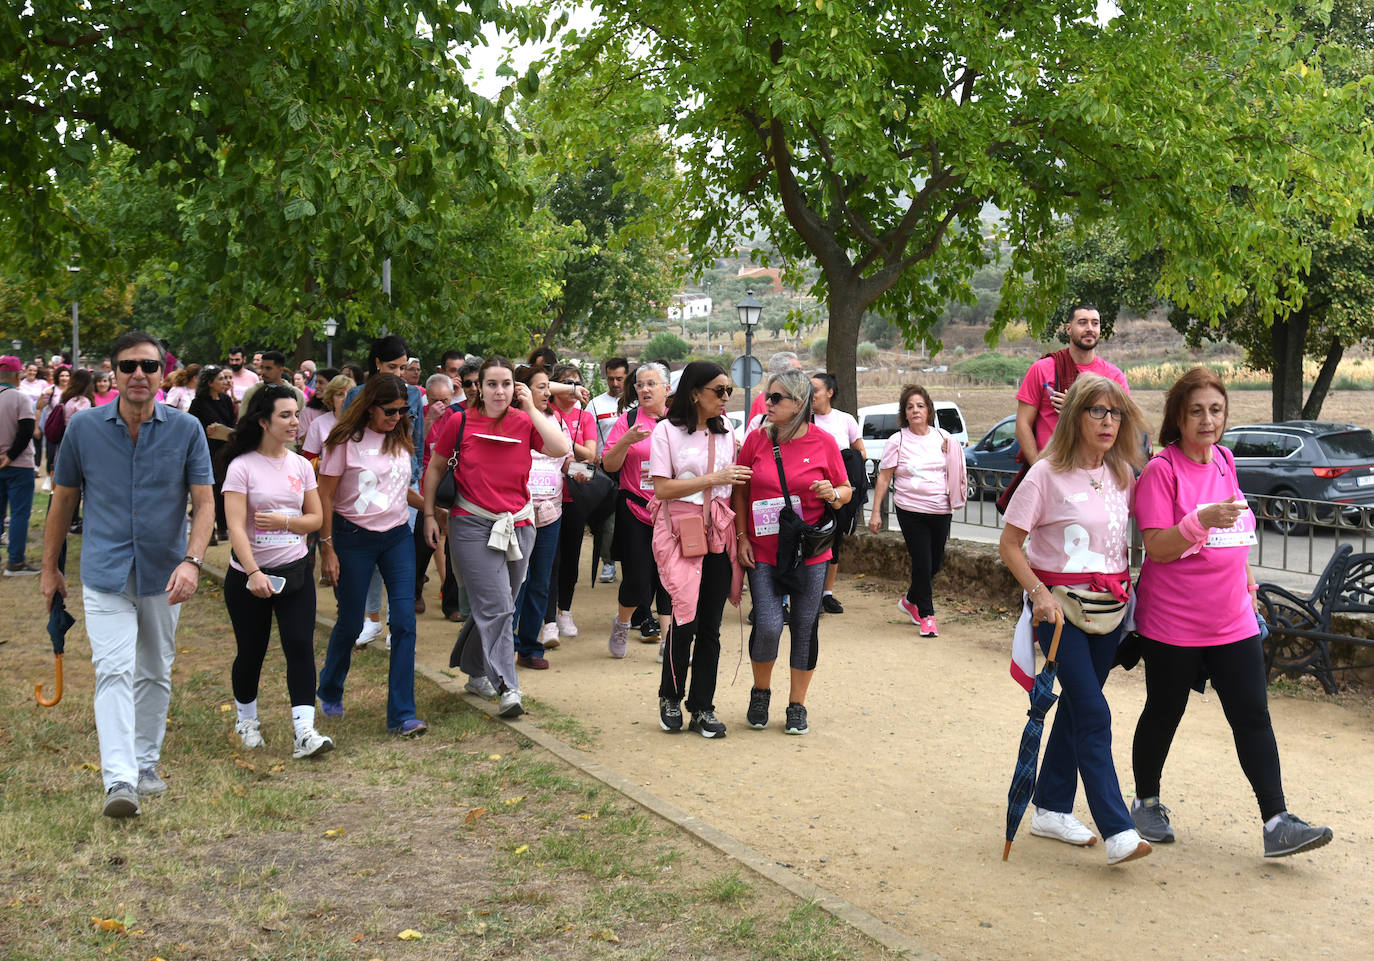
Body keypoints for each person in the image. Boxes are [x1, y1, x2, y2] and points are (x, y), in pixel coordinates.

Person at [1129, 367, 1333, 858]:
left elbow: (1234, 524)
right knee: (1164, 711)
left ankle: (1277, 821)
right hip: (1173, 623)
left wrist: (1244, 575)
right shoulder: (1163, 471)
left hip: (1232, 619)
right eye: (1196, 411)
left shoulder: (1224, 459)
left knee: (1253, 715)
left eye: (1215, 410)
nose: (1207, 419)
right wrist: (1198, 521)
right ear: (1177, 417)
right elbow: (1156, 547)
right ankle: (1146, 802)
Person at [40, 331, 214, 818]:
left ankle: (146, 762)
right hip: (105, 570)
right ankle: (120, 779)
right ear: (112, 373)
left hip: (166, 571)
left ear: (163, 374)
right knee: (113, 670)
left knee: (155, 668)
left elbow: (204, 505)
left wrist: (192, 561)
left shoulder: (187, 430)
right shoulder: (85, 429)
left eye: (149, 366)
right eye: (128, 366)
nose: (139, 374)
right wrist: (50, 567)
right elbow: (64, 499)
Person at [998, 374, 1151, 865]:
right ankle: (1118, 830)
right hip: (1059, 610)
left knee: (1078, 709)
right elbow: (1009, 545)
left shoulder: (1123, 474)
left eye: (1116, 413)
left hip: (1111, 611)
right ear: (1076, 416)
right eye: (1097, 412)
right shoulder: (1044, 474)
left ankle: (1050, 807)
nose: (1109, 422)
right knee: (1094, 711)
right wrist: (1038, 593)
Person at [422, 356, 570, 717]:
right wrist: (428, 514)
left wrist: (533, 408)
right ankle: (508, 687)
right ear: (479, 388)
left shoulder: (524, 420)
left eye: (506, 383)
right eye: (492, 384)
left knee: (500, 605)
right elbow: (436, 467)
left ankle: (473, 670)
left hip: (520, 524)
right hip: (471, 523)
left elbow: (560, 448)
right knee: (499, 607)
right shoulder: (458, 421)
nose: (499, 391)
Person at [734, 368, 851, 736]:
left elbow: (845, 488)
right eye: (767, 396)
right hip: (765, 549)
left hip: (809, 551)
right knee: (768, 624)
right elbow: (740, 490)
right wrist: (741, 536)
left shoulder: (824, 442)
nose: (767, 403)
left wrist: (832, 494)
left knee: (804, 625)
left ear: (798, 404)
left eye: (775, 398)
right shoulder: (756, 440)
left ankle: (797, 704)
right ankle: (761, 692)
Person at [219, 384, 333, 759]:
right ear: (264, 421)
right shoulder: (241, 466)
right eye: (285, 415)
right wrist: (252, 573)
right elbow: (235, 526)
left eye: (296, 414)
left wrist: (286, 521)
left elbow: (316, 518)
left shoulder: (301, 465)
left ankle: (304, 731)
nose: (295, 422)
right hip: (249, 577)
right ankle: (246, 721)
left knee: (300, 646)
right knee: (251, 651)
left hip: (295, 572)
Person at [315, 373, 428, 736]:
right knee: (350, 624)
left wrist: (430, 510)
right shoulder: (343, 442)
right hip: (352, 538)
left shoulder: (401, 437)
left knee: (405, 623)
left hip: (396, 537)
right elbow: (325, 497)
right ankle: (329, 686)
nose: (397, 417)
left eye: (403, 410)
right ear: (369, 407)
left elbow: (399, 488)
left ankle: (401, 714)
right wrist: (327, 548)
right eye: (390, 411)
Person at [649, 361, 746, 738]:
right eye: (718, 391)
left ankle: (702, 706)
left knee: (711, 625)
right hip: (681, 531)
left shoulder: (727, 434)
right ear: (694, 393)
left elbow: (734, 488)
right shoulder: (666, 432)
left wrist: (740, 538)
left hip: (718, 531)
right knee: (684, 619)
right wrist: (713, 478)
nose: (725, 398)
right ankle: (670, 697)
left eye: (729, 391)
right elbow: (661, 488)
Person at [866, 384, 966, 636]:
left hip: (941, 509)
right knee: (922, 562)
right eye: (910, 407)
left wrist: (952, 451)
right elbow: (884, 478)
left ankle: (910, 600)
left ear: (929, 410)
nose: (915, 410)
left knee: (936, 560)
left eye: (920, 406)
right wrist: (875, 512)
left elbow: (955, 468)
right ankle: (927, 615)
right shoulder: (897, 440)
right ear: (904, 413)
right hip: (910, 509)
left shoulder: (943, 437)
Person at [602, 362, 674, 656]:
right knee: (638, 577)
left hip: (670, 510)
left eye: (651, 384)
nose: (644, 389)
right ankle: (622, 622)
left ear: (667, 389)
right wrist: (626, 441)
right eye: (640, 385)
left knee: (670, 576)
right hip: (635, 507)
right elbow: (608, 464)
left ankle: (668, 643)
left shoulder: (679, 421)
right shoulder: (628, 420)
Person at [509, 366, 570, 670]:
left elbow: (565, 456)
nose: (548, 393)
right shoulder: (511, 421)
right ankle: (506, 642)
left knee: (540, 582)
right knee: (515, 580)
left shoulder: (556, 420)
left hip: (551, 512)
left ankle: (530, 647)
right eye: (541, 387)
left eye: (549, 387)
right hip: (516, 512)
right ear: (521, 391)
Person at [1014, 304, 1129, 466]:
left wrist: (1075, 407)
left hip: (1095, 468)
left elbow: (1123, 426)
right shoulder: (1042, 369)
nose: (1090, 328)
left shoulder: (1115, 376)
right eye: (1082, 322)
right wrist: (1037, 467)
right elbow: (1023, 423)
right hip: (1052, 466)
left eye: (1095, 323)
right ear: (1068, 329)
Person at [548, 362, 599, 640]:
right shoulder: (546, 411)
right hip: (548, 495)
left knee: (570, 558)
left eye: (577, 384)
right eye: (567, 384)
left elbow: (590, 455)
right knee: (549, 560)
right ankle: (547, 618)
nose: (573, 389)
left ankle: (564, 610)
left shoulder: (585, 418)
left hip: (575, 494)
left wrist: (564, 442)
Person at [810, 372, 865, 614]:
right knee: (809, 538)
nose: (811, 395)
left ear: (830, 393)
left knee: (834, 540)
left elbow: (860, 452)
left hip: (838, 491)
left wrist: (841, 464)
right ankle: (803, 593)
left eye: (816, 390)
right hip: (810, 490)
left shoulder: (846, 420)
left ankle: (826, 593)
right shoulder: (804, 420)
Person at [588, 357, 629, 583]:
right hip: (605, 471)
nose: (615, 383)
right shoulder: (595, 404)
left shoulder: (637, 404)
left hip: (633, 470)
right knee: (608, 521)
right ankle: (608, 562)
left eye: (619, 379)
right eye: (611, 378)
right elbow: (588, 434)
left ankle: (631, 564)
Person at [0, 355, 39, 575]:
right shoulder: (21, 398)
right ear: (18, 375)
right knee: (19, 514)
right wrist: (11, 456)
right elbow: (26, 431)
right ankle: (15, 562)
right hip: (19, 464)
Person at [189, 365, 237, 543]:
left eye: (226, 378)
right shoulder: (198, 403)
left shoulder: (225, 400)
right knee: (209, 490)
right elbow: (197, 428)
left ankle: (223, 527)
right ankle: (208, 530)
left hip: (225, 450)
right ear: (210, 383)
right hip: (207, 451)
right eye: (221, 379)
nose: (225, 382)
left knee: (224, 489)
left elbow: (232, 422)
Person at [743, 351, 804, 432]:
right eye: (797, 370)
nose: (802, 375)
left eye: (802, 370)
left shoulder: (806, 398)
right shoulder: (762, 401)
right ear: (783, 373)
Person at [300, 374, 354, 461]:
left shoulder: (363, 422)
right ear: (331, 399)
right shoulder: (318, 424)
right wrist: (321, 464)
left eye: (350, 394)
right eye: (340, 394)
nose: (345, 399)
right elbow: (309, 458)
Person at [241, 350, 306, 411]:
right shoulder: (251, 392)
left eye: (268, 368)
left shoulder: (297, 394)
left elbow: (301, 420)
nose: (263, 372)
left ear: (280, 369)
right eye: (262, 368)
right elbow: (243, 420)